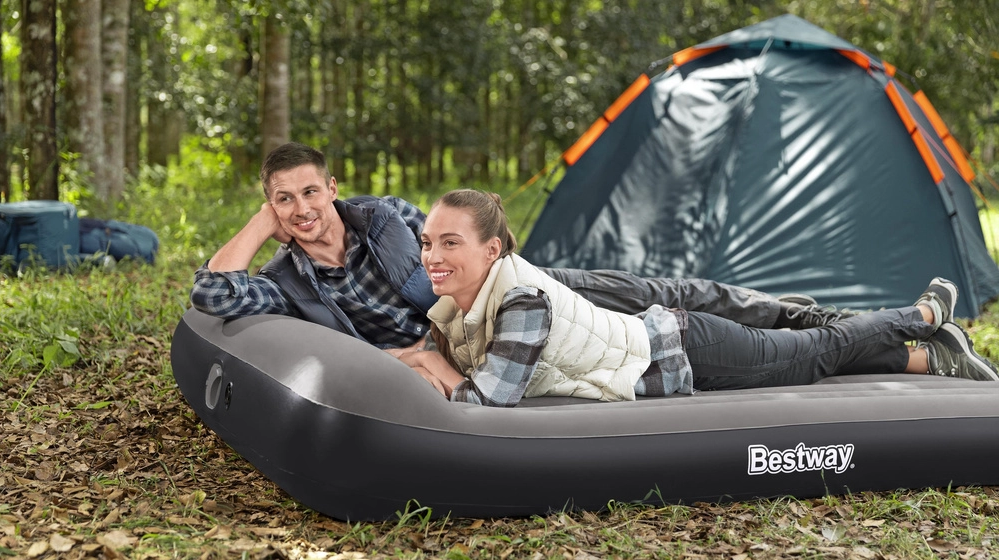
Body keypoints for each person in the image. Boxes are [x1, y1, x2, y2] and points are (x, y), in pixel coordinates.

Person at [191, 142, 852, 349]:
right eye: (284, 199)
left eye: (310, 191)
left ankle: (803, 318)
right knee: (662, 325)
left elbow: (458, 249)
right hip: (472, 340)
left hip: (516, 286)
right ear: (270, 205)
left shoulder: (385, 217)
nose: (303, 209)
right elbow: (211, 293)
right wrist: (260, 225)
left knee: (656, 291)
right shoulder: (290, 280)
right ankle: (791, 336)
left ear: (331, 187)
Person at [388, 189, 998, 406]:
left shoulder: (521, 299)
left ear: (492, 250)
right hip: (669, 339)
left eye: (450, 243)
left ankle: (920, 315)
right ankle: (930, 357)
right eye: (427, 243)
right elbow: (458, 363)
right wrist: (421, 355)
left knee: (813, 352)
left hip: (686, 352)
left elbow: (489, 397)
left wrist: (428, 360)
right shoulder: (462, 304)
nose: (432, 257)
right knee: (812, 354)